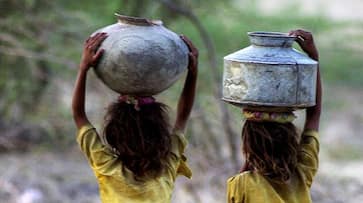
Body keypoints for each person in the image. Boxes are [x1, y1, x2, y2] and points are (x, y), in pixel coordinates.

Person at [72, 32, 198, 202]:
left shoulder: (106, 166)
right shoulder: (167, 165)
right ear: (160, 133)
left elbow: (79, 115)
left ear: (115, 135)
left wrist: (83, 68)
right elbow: (183, 116)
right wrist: (193, 72)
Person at [226, 29, 322, 203]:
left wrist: (250, 156)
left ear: (248, 146)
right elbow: (314, 114)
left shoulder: (241, 184)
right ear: (291, 140)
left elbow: (314, 116)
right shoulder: (302, 172)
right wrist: (313, 57)